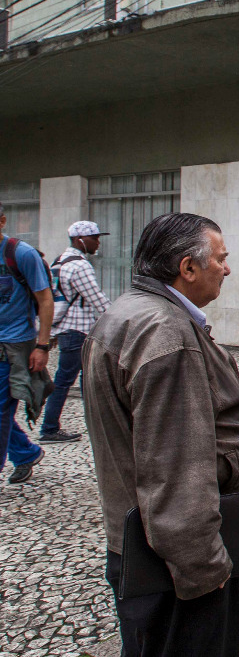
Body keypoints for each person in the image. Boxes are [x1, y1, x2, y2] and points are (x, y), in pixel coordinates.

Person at [83, 213, 239, 657]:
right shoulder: (167, 333)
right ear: (187, 268)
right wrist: (203, 567)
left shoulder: (125, 313)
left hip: (143, 547)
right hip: (174, 567)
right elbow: (176, 469)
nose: (227, 268)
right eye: (220, 259)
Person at [40, 220, 112, 444]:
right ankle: (49, 428)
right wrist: (117, 319)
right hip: (78, 330)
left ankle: (91, 425)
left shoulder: (60, 260)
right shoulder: (79, 265)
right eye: (95, 237)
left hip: (68, 329)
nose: (98, 242)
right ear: (80, 240)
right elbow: (97, 299)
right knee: (65, 380)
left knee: (83, 380)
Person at [0, 202, 52, 484]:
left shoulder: (21, 254)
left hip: (12, 349)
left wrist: (42, 345)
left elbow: (45, 300)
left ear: (3, 221)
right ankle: (24, 452)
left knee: (0, 410)